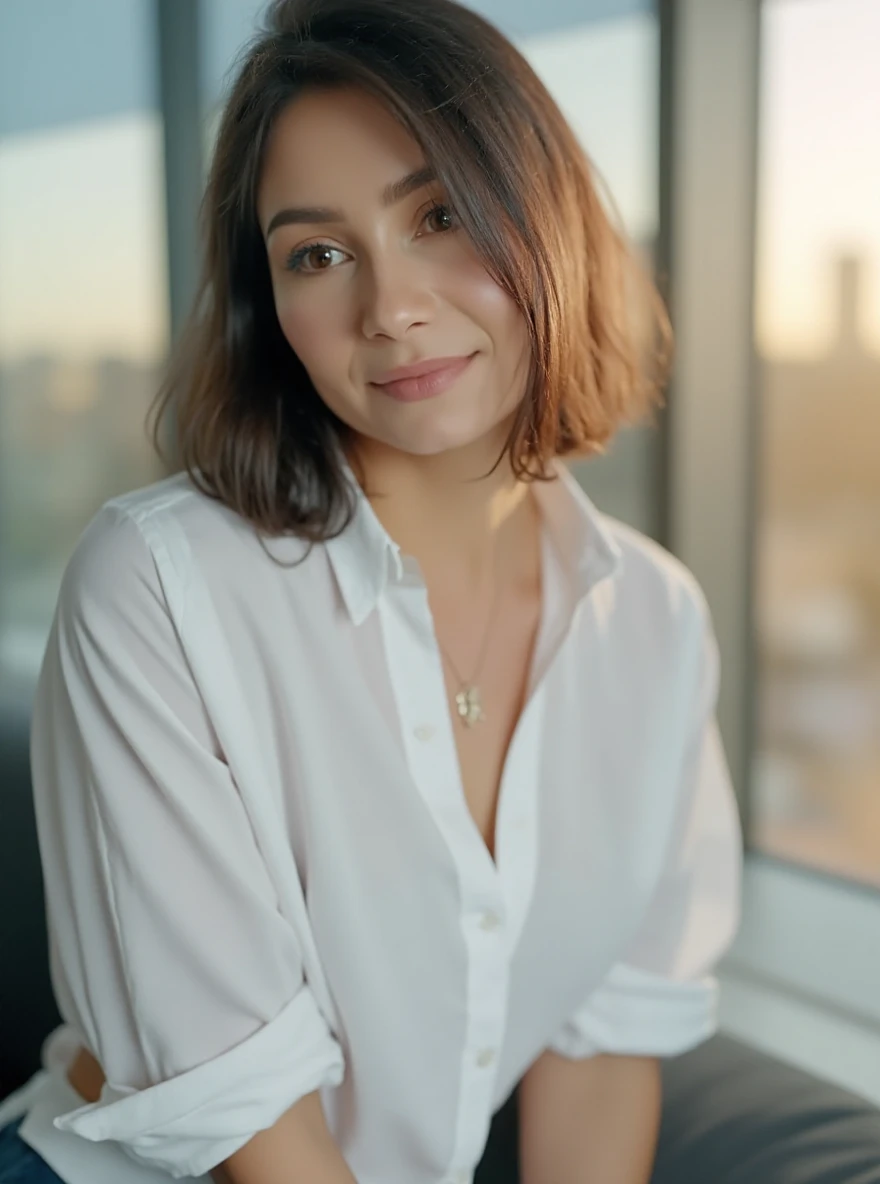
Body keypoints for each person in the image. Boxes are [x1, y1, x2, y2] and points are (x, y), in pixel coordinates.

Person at [0, 0, 743, 1181]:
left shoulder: (653, 620)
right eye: (318, 253)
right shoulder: (155, 584)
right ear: (270, 307)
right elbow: (250, 1118)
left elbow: (598, 1052)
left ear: (542, 217)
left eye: (441, 214)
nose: (390, 309)